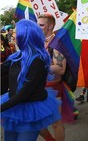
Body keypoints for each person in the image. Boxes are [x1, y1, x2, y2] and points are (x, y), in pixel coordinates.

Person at [0, 19, 61, 141]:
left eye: (16, 32)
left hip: (31, 109)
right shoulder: (16, 56)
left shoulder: (38, 60)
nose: (13, 35)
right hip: (14, 107)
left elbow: (24, 93)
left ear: (25, 35)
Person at [37, 13, 75, 141]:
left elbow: (61, 69)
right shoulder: (38, 42)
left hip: (53, 89)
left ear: (50, 26)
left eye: (41, 25)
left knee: (56, 123)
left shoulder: (56, 44)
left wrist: (41, 65)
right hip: (38, 88)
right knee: (35, 122)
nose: (38, 27)